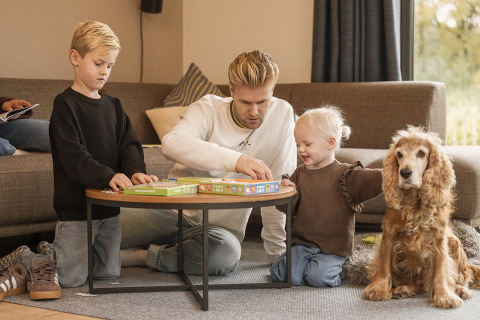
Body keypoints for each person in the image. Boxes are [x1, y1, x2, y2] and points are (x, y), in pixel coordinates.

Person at [1, 21, 158, 300]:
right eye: (98, 63)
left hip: (109, 209)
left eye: (109, 66)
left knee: (108, 274)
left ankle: (55, 251)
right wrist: (107, 175)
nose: (104, 72)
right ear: (75, 58)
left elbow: (129, 144)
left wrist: (135, 171)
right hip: (76, 209)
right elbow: (73, 155)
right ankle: (26, 256)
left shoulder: (114, 106)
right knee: (72, 278)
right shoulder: (65, 104)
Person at [119, 49, 297, 275]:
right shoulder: (208, 108)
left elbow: (277, 188)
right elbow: (172, 143)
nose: (254, 111)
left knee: (225, 254)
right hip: (170, 213)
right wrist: (237, 160)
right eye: (244, 102)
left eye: (262, 101)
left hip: (217, 231)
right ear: (231, 89)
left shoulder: (283, 115)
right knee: (97, 226)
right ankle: (171, 250)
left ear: (273, 89)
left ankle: (143, 256)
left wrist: (277, 255)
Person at [270, 106, 383, 288]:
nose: (301, 150)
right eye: (298, 144)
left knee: (318, 278)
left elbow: (374, 179)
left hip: (333, 248)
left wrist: (395, 174)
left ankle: (338, 265)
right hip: (302, 243)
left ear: (330, 143)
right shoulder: (299, 174)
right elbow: (285, 208)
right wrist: (289, 192)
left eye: (307, 144)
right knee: (286, 277)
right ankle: (291, 262)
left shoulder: (347, 175)